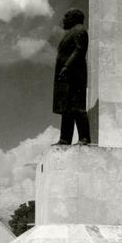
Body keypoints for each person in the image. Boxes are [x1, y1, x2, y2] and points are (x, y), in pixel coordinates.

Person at [52, 8, 91, 145]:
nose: (63, 19)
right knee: (66, 107)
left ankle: (84, 138)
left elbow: (80, 50)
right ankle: (65, 138)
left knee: (77, 107)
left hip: (75, 75)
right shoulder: (71, 33)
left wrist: (67, 66)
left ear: (75, 18)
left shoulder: (79, 31)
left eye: (66, 16)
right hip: (67, 76)